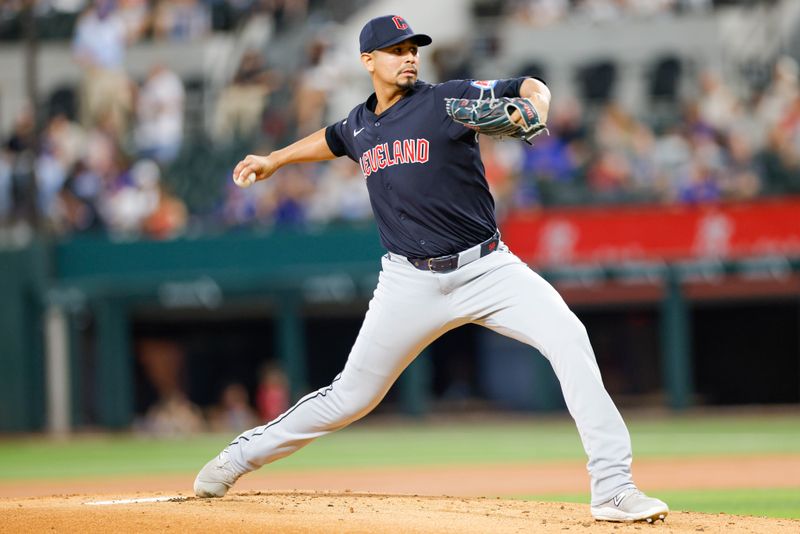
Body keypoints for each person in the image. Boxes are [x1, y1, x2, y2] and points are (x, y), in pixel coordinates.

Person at [194, 15, 669, 523]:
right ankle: (237, 458)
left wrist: (534, 106)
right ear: (368, 61)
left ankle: (613, 488)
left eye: (413, 48)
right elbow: (332, 138)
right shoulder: (360, 124)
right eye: (397, 50)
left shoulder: (445, 100)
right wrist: (277, 159)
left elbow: (531, 87)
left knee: (570, 338)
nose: (410, 57)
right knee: (349, 397)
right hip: (408, 281)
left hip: (488, 269)